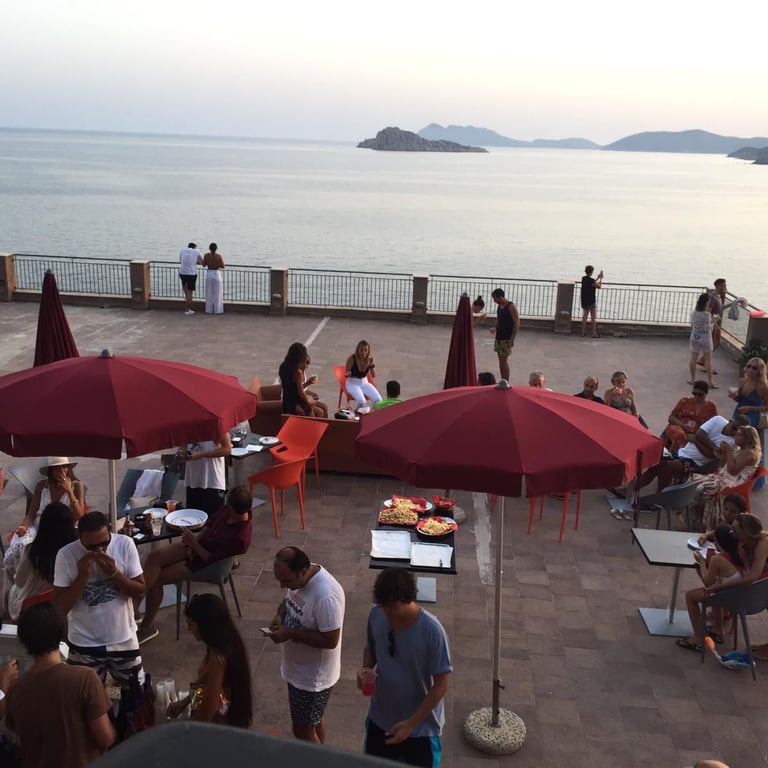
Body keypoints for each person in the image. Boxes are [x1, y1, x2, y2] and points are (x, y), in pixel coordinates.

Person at [136, 485, 252, 645]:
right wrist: (195, 541)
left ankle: (146, 626)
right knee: (154, 557)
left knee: (157, 579)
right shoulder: (229, 510)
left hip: (206, 563)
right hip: (199, 545)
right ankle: (136, 600)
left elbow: (211, 559)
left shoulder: (240, 538)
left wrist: (194, 545)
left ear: (233, 508)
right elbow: (210, 523)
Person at [359, 568, 452, 767]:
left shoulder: (432, 631)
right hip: (380, 719)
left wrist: (411, 724)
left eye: (392, 605)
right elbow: (371, 646)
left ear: (408, 598)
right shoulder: (376, 613)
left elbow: (441, 685)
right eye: (383, 604)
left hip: (420, 729)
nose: (386, 611)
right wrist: (366, 667)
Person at [6, 603, 115, 768]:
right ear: (62, 632)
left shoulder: (15, 690)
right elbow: (105, 738)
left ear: (24, 641)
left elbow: (17, 730)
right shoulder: (85, 679)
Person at [53, 510, 146, 687]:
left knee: (136, 692)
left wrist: (115, 573)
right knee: (83, 696)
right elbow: (59, 608)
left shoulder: (124, 545)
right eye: (91, 547)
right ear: (80, 537)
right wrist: (81, 577)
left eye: (104, 543)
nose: (99, 550)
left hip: (123, 639)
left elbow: (140, 591)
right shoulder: (65, 555)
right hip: (84, 643)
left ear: (110, 531)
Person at [269, 546, 345, 743]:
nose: (283, 586)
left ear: (303, 571)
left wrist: (289, 633)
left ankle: (317, 757)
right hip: (298, 671)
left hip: (312, 679)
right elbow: (287, 602)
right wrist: (280, 616)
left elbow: (330, 640)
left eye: (286, 581)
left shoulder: (326, 596)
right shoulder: (299, 580)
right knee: (314, 720)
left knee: (302, 730)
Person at [167, 593, 253, 727]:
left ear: (205, 625)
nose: (189, 629)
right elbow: (206, 685)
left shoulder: (217, 659)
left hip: (220, 727)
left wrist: (184, 726)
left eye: (191, 624)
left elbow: (208, 712)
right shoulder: (228, 641)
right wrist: (185, 702)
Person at [4, 457, 86, 587]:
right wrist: (23, 526)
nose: (61, 471)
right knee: (19, 545)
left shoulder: (76, 486)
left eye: (64, 467)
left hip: (64, 527)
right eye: (57, 468)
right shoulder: (41, 485)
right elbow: (31, 513)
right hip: (41, 524)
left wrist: (69, 491)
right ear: (51, 471)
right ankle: (20, 580)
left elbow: (81, 517)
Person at [676, 524, 745, 652]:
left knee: (690, 596)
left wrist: (702, 562)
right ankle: (718, 630)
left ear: (718, 543)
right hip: (738, 595)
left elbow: (708, 581)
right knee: (714, 589)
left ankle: (698, 639)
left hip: (727, 597)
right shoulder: (739, 553)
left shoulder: (717, 559)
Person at [638, 414, 748, 492]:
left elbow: (709, 454)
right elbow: (700, 433)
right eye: (734, 428)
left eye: (738, 432)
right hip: (682, 453)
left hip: (695, 464)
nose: (734, 432)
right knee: (657, 460)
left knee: (666, 466)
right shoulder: (718, 420)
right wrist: (713, 447)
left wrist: (696, 441)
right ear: (730, 421)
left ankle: (659, 497)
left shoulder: (733, 442)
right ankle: (637, 487)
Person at [5, 501, 77, 621]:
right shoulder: (75, 551)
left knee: (9, 591)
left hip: (32, 603)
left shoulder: (32, 550)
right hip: (63, 604)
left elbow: (20, 580)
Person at [692, 425, 761, 530]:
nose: (735, 437)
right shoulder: (741, 449)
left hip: (732, 483)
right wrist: (724, 452)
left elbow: (733, 470)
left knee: (698, 488)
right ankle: (700, 518)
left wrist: (729, 451)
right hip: (724, 477)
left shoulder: (750, 453)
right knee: (692, 481)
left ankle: (703, 520)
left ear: (748, 438)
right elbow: (723, 465)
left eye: (739, 435)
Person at [181, 431, 232, 516]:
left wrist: (202, 454)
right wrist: (181, 453)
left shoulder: (217, 426)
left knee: (214, 518)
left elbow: (227, 449)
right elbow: (183, 446)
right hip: (193, 480)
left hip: (212, 481)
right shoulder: (187, 427)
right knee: (194, 518)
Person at [662, 381, 718, 454]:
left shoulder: (711, 407)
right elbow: (671, 417)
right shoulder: (685, 401)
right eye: (694, 393)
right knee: (680, 435)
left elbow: (714, 424)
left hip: (697, 433)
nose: (696, 396)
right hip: (680, 427)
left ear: (706, 394)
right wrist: (682, 425)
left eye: (700, 394)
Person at [279, 342, 323, 417]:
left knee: (318, 411)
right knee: (313, 416)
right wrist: (310, 401)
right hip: (296, 401)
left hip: (287, 401)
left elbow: (292, 388)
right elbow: (300, 393)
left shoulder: (283, 367)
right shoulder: (297, 372)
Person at [489, 288, 519, 382]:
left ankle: (506, 381)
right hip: (499, 336)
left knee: (504, 360)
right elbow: (499, 319)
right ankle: (503, 379)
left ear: (500, 297)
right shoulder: (500, 307)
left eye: (495, 298)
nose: (494, 301)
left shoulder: (511, 306)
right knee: (500, 361)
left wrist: (512, 339)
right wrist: (495, 327)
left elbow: (516, 322)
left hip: (506, 337)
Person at [345, 340, 382, 412]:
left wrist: (371, 365)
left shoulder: (370, 359)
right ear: (358, 350)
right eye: (361, 350)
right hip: (353, 383)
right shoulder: (352, 359)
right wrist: (348, 374)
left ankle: (375, 415)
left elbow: (373, 375)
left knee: (378, 400)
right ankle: (356, 415)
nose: (363, 352)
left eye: (365, 350)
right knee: (362, 401)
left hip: (364, 383)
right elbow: (347, 373)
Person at [688, 293, 717, 387]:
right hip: (705, 338)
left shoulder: (694, 313)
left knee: (693, 358)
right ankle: (710, 381)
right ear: (706, 302)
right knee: (708, 360)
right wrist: (714, 321)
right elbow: (708, 328)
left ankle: (692, 379)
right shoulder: (707, 314)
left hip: (694, 336)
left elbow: (692, 324)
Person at [179, 241, 203, 315]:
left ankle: (187, 305)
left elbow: (181, 261)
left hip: (182, 272)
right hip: (191, 273)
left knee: (186, 291)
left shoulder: (182, 250)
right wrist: (196, 262)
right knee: (190, 292)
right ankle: (188, 309)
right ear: (194, 247)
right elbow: (202, 262)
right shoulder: (196, 251)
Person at [580, 265, 603, 338]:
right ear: (592, 272)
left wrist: (597, 278)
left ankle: (583, 332)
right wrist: (601, 279)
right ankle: (593, 333)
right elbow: (598, 286)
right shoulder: (592, 280)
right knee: (593, 317)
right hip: (591, 300)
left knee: (585, 316)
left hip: (584, 299)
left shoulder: (583, 278)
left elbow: (592, 283)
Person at [202, 242, 224, 315]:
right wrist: (217, 264)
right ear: (216, 249)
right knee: (218, 292)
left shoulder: (206, 255)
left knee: (209, 292)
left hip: (209, 273)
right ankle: (218, 310)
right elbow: (223, 266)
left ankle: (209, 310)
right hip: (217, 274)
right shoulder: (219, 256)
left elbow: (203, 264)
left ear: (209, 248)